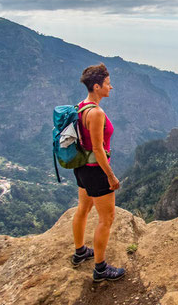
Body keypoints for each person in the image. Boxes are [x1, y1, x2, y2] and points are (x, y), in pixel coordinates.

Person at [70, 63, 125, 282]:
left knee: (83, 208)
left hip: (82, 167)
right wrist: (110, 176)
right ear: (97, 86)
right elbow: (97, 148)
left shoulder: (81, 106)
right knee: (107, 218)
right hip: (96, 170)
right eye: (108, 84)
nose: (110, 88)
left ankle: (80, 251)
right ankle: (100, 269)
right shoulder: (97, 113)